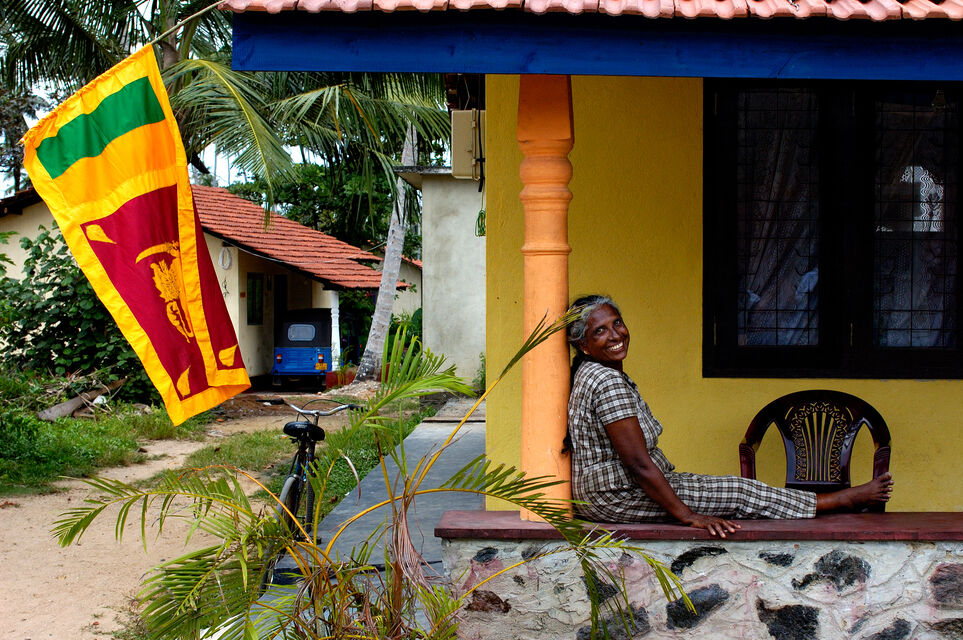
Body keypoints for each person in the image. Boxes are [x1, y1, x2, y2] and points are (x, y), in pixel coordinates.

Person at [565, 295, 894, 538]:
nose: (615, 335)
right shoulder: (607, 381)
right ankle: (841, 500)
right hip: (618, 497)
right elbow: (638, 463)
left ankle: (831, 500)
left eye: (617, 323)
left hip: (606, 493)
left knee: (724, 486)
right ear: (583, 345)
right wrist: (689, 517)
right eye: (600, 331)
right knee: (739, 493)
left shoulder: (591, 372)